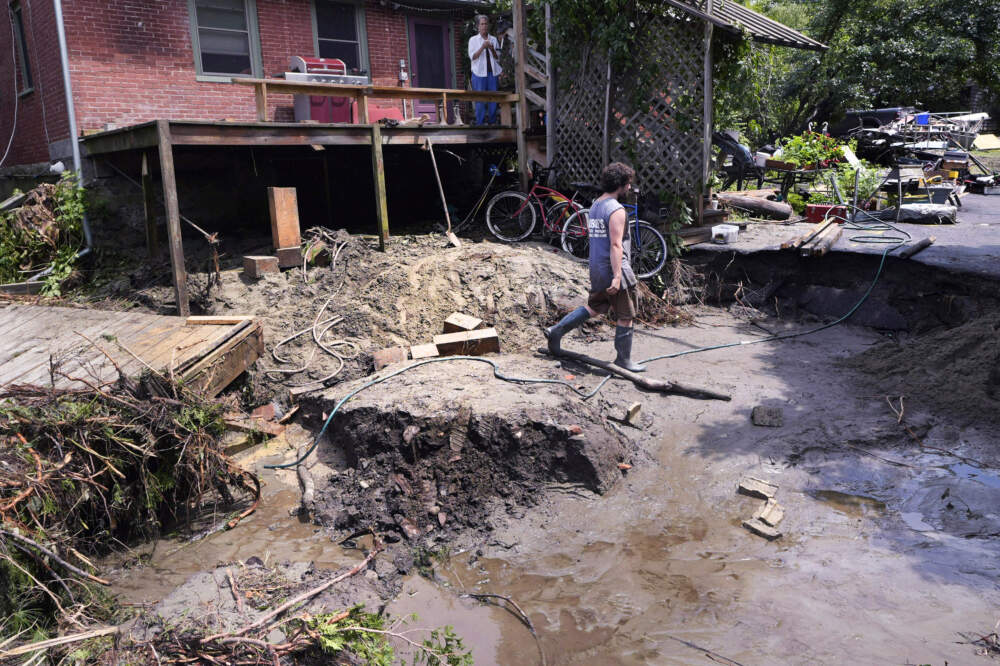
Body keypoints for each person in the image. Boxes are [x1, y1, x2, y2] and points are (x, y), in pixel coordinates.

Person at [544, 162, 645, 372]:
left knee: (595, 307)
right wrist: (617, 277)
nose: (629, 188)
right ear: (621, 184)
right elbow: (616, 245)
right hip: (614, 268)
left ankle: (557, 330)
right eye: (628, 184)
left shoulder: (596, 205)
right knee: (625, 315)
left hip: (596, 267)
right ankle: (623, 360)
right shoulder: (617, 210)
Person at [468, 15, 502, 125]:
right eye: (482, 24)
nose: (484, 26)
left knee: (493, 99)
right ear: (478, 26)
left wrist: (492, 49)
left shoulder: (494, 39)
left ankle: (492, 122)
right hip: (478, 74)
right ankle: (480, 124)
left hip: (493, 73)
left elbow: (498, 57)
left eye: (486, 24)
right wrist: (483, 47)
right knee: (480, 100)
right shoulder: (473, 40)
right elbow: (472, 57)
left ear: (488, 26)